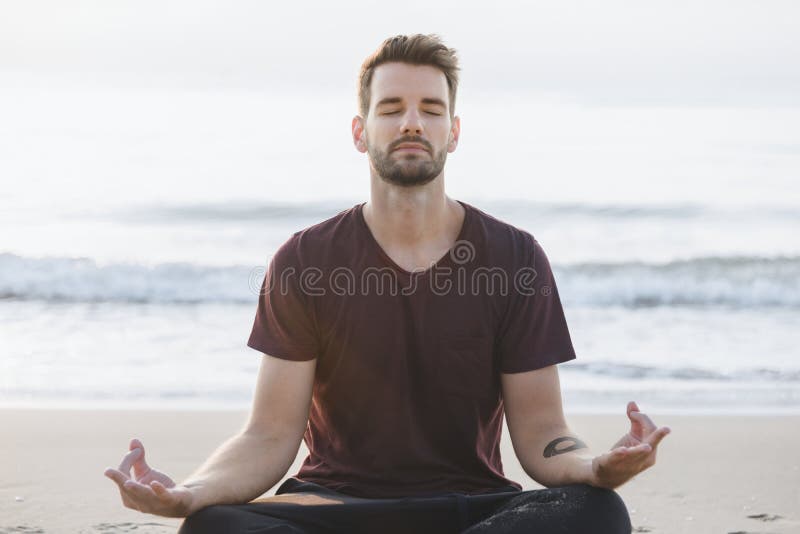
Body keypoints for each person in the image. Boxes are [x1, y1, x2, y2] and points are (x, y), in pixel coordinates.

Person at [104, 33, 671, 533]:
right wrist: (189, 493)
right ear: (360, 130)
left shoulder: (514, 256)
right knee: (212, 526)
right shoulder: (305, 259)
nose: (411, 122)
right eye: (391, 107)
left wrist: (597, 467)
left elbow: (544, 432)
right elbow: (269, 436)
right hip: (333, 510)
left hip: (471, 508)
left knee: (596, 513)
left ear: (453, 131)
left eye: (430, 108)